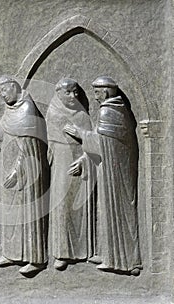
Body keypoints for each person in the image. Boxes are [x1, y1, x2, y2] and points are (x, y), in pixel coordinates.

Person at [64, 76, 142, 275]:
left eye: (97, 92)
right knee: (105, 211)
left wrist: (80, 133)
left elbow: (102, 144)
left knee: (114, 211)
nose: (95, 96)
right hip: (108, 170)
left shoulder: (109, 111)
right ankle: (108, 253)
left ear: (105, 92)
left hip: (115, 174)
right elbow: (104, 143)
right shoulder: (117, 109)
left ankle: (121, 260)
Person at [0, 75, 49, 275]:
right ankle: (12, 253)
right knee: (10, 213)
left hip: (27, 171)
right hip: (9, 171)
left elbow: (28, 148)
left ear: (13, 87)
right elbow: (1, 135)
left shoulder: (26, 109)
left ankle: (35, 259)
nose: (2, 96)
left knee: (28, 213)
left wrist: (18, 170)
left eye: (3, 91)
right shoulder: (11, 110)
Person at [46, 78, 97, 270]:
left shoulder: (82, 116)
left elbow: (93, 143)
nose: (73, 96)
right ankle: (62, 253)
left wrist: (84, 159)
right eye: (68, 92)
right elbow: (50, 145)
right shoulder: (53, 113)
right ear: (58, 93)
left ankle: (84, 251)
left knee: (80, 206)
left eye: (75, 92)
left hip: (80, 164)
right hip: (60, 164)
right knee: (61, 206)